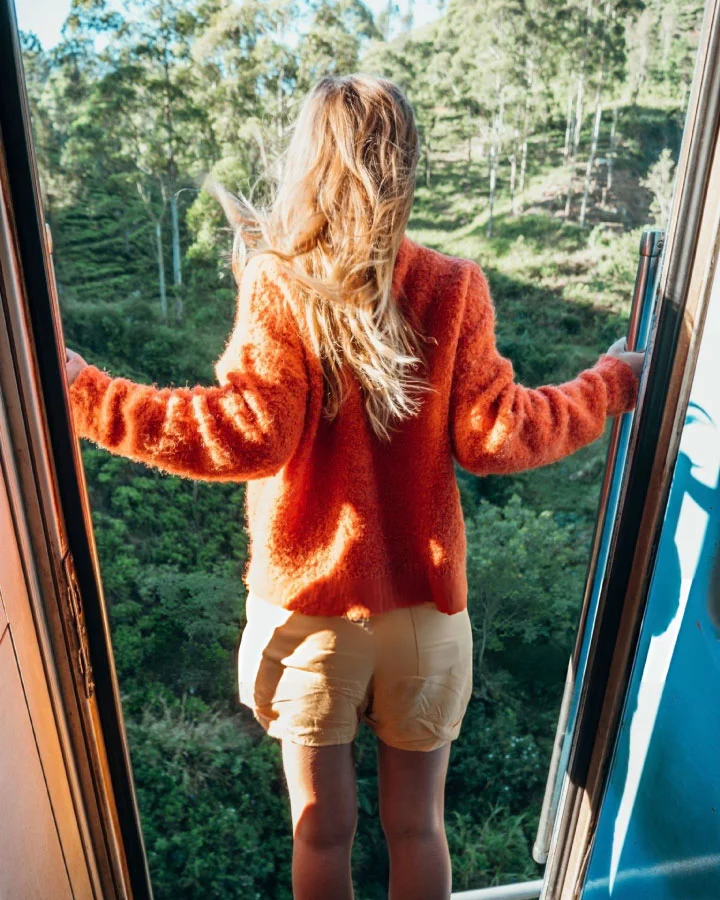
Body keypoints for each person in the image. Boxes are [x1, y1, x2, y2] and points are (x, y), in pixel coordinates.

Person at [65, 73, 644, 900]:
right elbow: (496, 435)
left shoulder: (278, 283)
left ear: (309, 160)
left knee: (322, 834)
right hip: (425, 615)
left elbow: (242, 435)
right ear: (404, 166)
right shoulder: (455, 286)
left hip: (310, 618)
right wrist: (609, 384)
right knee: (420, 830)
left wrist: (87, 392)